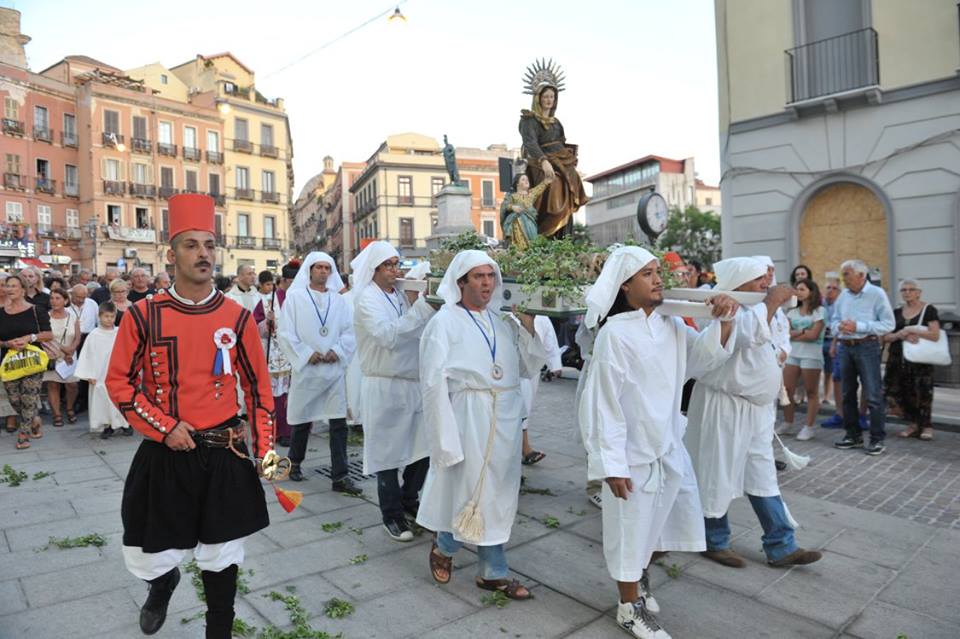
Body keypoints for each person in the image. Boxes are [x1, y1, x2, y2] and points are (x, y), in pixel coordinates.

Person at [106, 194, 276, 637]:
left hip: (224, 451)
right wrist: (164, 428)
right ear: (171, 253)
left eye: (209, 245)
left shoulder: (237, 318)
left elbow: (259, 388)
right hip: (167, 451)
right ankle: (162, 584)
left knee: (223, 555)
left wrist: (268, 451)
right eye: (191, 245)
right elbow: (119, 383)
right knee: (146, 553)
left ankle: (218, 630)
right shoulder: (143, 314)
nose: (203, 253)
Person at [579, 247, 738, 639]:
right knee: (628, 531)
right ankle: (627, 608)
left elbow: (700, 362)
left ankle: (639, 581)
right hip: (631, 453)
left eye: (657, 272)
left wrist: (723, 320)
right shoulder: (615, 334)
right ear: (625, 285)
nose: (657, 279)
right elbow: (604, 405)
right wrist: (611, 464)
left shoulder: (669, 325)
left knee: (660, 527)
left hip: (666, 444)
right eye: (647, 274)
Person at [418, 250, 545, 600]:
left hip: (502, 416)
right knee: (471, 490)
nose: (487, 283)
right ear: (461, 283)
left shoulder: (503, 322)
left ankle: (478, 564)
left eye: (491, 276)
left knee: (499, 493)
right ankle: (460, 554)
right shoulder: (443, 322)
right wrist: (443, 438)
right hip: (467, 415)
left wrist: (531, 329)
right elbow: (431, 383)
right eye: (478, 277)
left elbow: (528, 366)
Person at [685, 257, 823, 568]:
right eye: (760, 278)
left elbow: (775, 338)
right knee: (716, 472)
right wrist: (771, 303)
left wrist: (781, 347)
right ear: (739, 282)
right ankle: (714, 540)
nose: (767, 284)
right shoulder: (718, 306)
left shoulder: (765, 309)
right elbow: (742, 335)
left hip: (758, 410)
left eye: (768, 278)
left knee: (763, 474)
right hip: (724, 405)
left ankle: (781, 544)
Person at [351, 240, 436, 541]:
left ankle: (409, 500)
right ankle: (391, 515)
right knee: (387, 453)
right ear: (374, 269)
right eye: (388, 265)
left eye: (396, 264)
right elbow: (388, 336)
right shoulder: (366, 299)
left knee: (423, 449)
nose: (394, 270)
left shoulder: (400, 294)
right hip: (384, 383)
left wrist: (419, 298)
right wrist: (423, 307)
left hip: (413, 382)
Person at [277, 252, 362, 495]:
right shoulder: (295, 298)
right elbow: (285, 332)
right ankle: (294, 463)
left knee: (338, 424)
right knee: (303, 421)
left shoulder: (339, 301)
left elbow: (349, 331)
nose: (323, 271)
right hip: (308, 371)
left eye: (327, 268)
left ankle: (340, 476)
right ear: (310, 270)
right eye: (319, 267)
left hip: (333, 371)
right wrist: (306, 353)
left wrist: (337, 350)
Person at [831, 259, 895, 456]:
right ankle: (853, 435)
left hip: (867, 346)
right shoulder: (843, 296)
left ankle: (877, 439)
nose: (844, 279)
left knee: (873, 395)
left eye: (847, 275)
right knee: (847, 394)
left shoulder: (877, 294)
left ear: (861, 275)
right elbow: (833, 320)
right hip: (845, 347)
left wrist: (858, 326)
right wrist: (839, 327)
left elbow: (888, 324)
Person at [519, 79, 589, 238]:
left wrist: (569, 154)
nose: (549, 100)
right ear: (538, 98)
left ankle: (563, 233)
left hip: (561, 161)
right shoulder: (528, 120)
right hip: (539, 163)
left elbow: (562, 142)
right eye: (546, 97)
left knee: (571, 183)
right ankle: (547, 231)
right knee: (554, 185)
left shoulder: (556, 123)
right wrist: (544, 161)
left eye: (552, 97)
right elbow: (530, 143)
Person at [883, 278, 941, 441]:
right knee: (901, 392)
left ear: (918, 292)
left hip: (920, 359)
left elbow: (935, 335)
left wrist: (912, 332)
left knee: (923, 392)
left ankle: (927, 425)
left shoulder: (928, 309)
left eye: (911, 289)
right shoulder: (896, 312)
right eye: (904, 290)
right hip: (898, 359)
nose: (907, 293)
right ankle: (913, 424)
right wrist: (900, 335)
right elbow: (886, 337)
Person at [0, 274, 54, 450]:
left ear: (23, 289)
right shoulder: (1, 313)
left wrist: (29, 338)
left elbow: (48, 334)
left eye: (14, 286)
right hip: (10, 363)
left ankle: (23, 435)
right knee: (15, 399)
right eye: (7, 286)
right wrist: (7, 343)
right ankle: (35, 419)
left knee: (29, 398)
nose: (9, 289)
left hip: (33, 362)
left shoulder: (36, 310)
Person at [778, 279, 824, 441]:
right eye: (797, 289)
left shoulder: (819, 311)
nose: (798, 291)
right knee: (788, 389)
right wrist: (804, 330)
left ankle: (809, 427)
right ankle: (788, 423)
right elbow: (786, 334)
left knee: (811, 391)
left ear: (811, 291)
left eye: (802, 289)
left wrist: (797, 333)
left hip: (812, 355)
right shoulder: (791, 312)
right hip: (793, 353)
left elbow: (814, 336)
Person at [76, 301, 130, 438]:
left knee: (120, 398)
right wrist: (90, 375)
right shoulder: (94, 335)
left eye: (112, 316)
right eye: (106, 316)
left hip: (117, 373)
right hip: (100, 373)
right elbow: (87, 355)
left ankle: (125, 423)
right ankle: (108, 425)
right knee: (104, 399)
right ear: (99, 316)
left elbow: (127, 351)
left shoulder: (120, 333)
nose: (109, 319)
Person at [520, 314, 562, 465]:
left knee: (526, 408)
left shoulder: (541, 316)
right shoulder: (503, 312)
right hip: (510, 372)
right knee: (518, 410)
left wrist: (554, 364)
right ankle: (525, 450)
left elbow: (549, 339)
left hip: (532, 371)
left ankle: (523, 449)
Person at [42, 288, 81, 427]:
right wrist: (64, 351)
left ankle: (69, 408)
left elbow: (77, 336)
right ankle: (57, 414)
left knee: (72, 385)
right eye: (52, 298)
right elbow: (46, 338)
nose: (54, 301)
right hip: (53, 355)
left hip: (70, 356)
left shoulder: (72, 316)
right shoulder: (46, 316)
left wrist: (71, 350)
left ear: (65, 300)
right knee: (53, 385)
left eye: (58, 298)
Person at [500, 173, 554, 249]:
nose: (526, 181)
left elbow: (540, 187)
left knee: (533, 242)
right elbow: (505, 205)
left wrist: (547, 181)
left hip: (530, 222)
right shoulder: (512, 196)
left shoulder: (531, 193)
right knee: (519, 247)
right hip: (517, 223)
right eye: (523, 179)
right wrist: (512, 207)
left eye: (527, 179)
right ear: (517, 184)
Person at [820, 275, 841, 408]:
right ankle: (823, 397)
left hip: (835, 341)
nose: (831, 290)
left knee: (834, 371)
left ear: (839, 291)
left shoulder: (840, 305)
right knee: (822, 371)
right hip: (819, 341)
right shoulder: (820, 305)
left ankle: (830, 397)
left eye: (834, 288)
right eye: (828, 287)